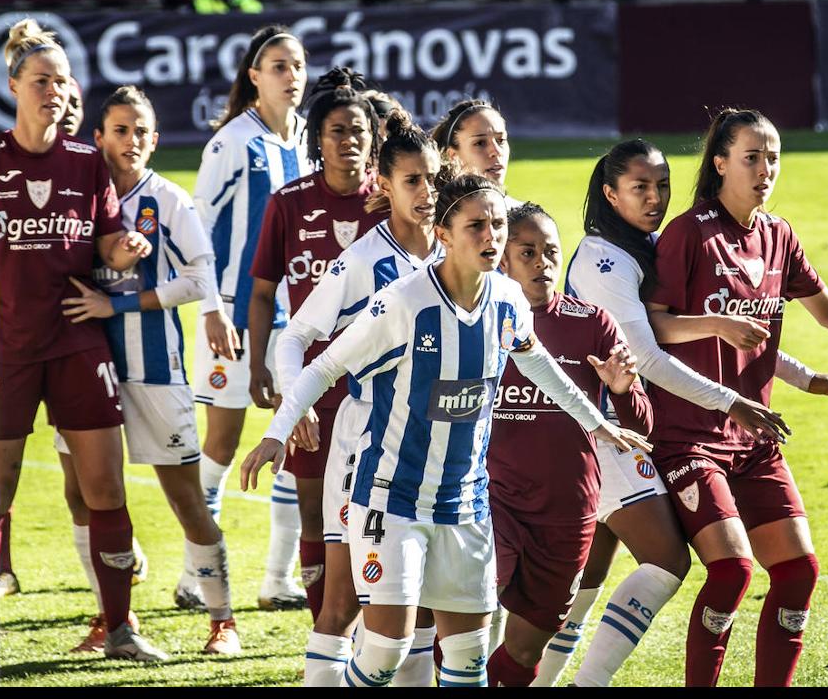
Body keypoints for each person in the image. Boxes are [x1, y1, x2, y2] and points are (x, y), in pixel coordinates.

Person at [239, 173, 650, 688]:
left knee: (467, 660)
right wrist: (277, 433)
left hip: (465, 506)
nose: (491, 236)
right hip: (393, 501)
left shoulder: (507, 298)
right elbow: (324, 367)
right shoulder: (403, 303)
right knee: (384, 653)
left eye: (497, 224)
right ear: (444, 234)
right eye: (475, 225)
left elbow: (537, 360)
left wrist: (597, 423)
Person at [537, 138, 828, 687]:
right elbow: (649, 356)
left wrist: (802, 378)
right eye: (641, 187)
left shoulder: (651, 244)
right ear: (610, 194)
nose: (656, 197)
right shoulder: (603, 260)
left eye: (662, 185)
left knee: (587, 582)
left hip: (628, 425)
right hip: (601, 430)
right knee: (659, 564)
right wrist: (732, 400)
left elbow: (731, 328)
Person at [646, 109, 828, 687]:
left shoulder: (778, 234)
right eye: (752, 157)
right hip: (688, 437)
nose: (766, 169)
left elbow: (826, 309)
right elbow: (651, 327)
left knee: (798, 571)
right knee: (731, 571)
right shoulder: (691, 233)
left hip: (754, 435)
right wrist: (716, 326)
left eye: (773, 157)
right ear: (720, 163)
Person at [0, 19, 164, 660]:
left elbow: (108, 248)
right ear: (13, 86)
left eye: (63, 81)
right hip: (4, 343)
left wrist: (128, 246)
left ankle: (119, 627)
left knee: (105, 489)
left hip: (75, 340)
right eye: (42, 81)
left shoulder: (89, 163)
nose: (55, 91)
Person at [55, 85, 240, 655]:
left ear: (154, 140)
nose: (130, 141)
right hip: (82, 368)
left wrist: (125, 304)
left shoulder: (168, 199)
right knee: (81, 496)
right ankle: (111, 617)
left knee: (185, 499)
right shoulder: (76, 197)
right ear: (99, 137)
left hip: (154, 370)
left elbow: (197, 275)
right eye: (120, 130)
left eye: (141, 131)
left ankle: (223, 622)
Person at [276, 111, 443, 686]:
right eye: (412, 181)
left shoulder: (458, 254)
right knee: (344, 603)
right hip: (365, 442)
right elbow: (294, 334)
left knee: (421, 605)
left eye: (433, 179)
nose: (426, 193)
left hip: (436, 446)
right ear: (385, 183)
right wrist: (291, 410)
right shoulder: (363, 260)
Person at [486, 202, 653, 687]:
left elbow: (643, 423)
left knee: (523, 648)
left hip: (568, 510)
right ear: (502, 259)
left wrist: (622, 391)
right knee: (466, 629)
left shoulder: (591, 323)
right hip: (491, 501)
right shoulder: (479, 318)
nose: (542, 263)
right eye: (528, 252)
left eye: (551, 252)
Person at [247, 74, 384, 620]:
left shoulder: (393, 201)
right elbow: (261, 293)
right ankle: (323, 632)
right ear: (317, 140)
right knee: (315, 514)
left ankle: (376, 637)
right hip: (316, 383)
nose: (347, 140)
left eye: (357, 131)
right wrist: (268, 372)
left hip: (385, 383)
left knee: (383, 512)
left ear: (373, 138)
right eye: (335, 131)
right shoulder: (289, 203)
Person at [190, 25, 309, 612]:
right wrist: (212, 307)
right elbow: (197, 229)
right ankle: (196, 570)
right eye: (279, 66)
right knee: (222, 440)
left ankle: (277, 579)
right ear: (254, 77)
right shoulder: (232, 142)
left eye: (297, 65)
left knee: (293, 435)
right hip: (235, 317)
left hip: (296, 319)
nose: (291, 76)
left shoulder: (311, 139)